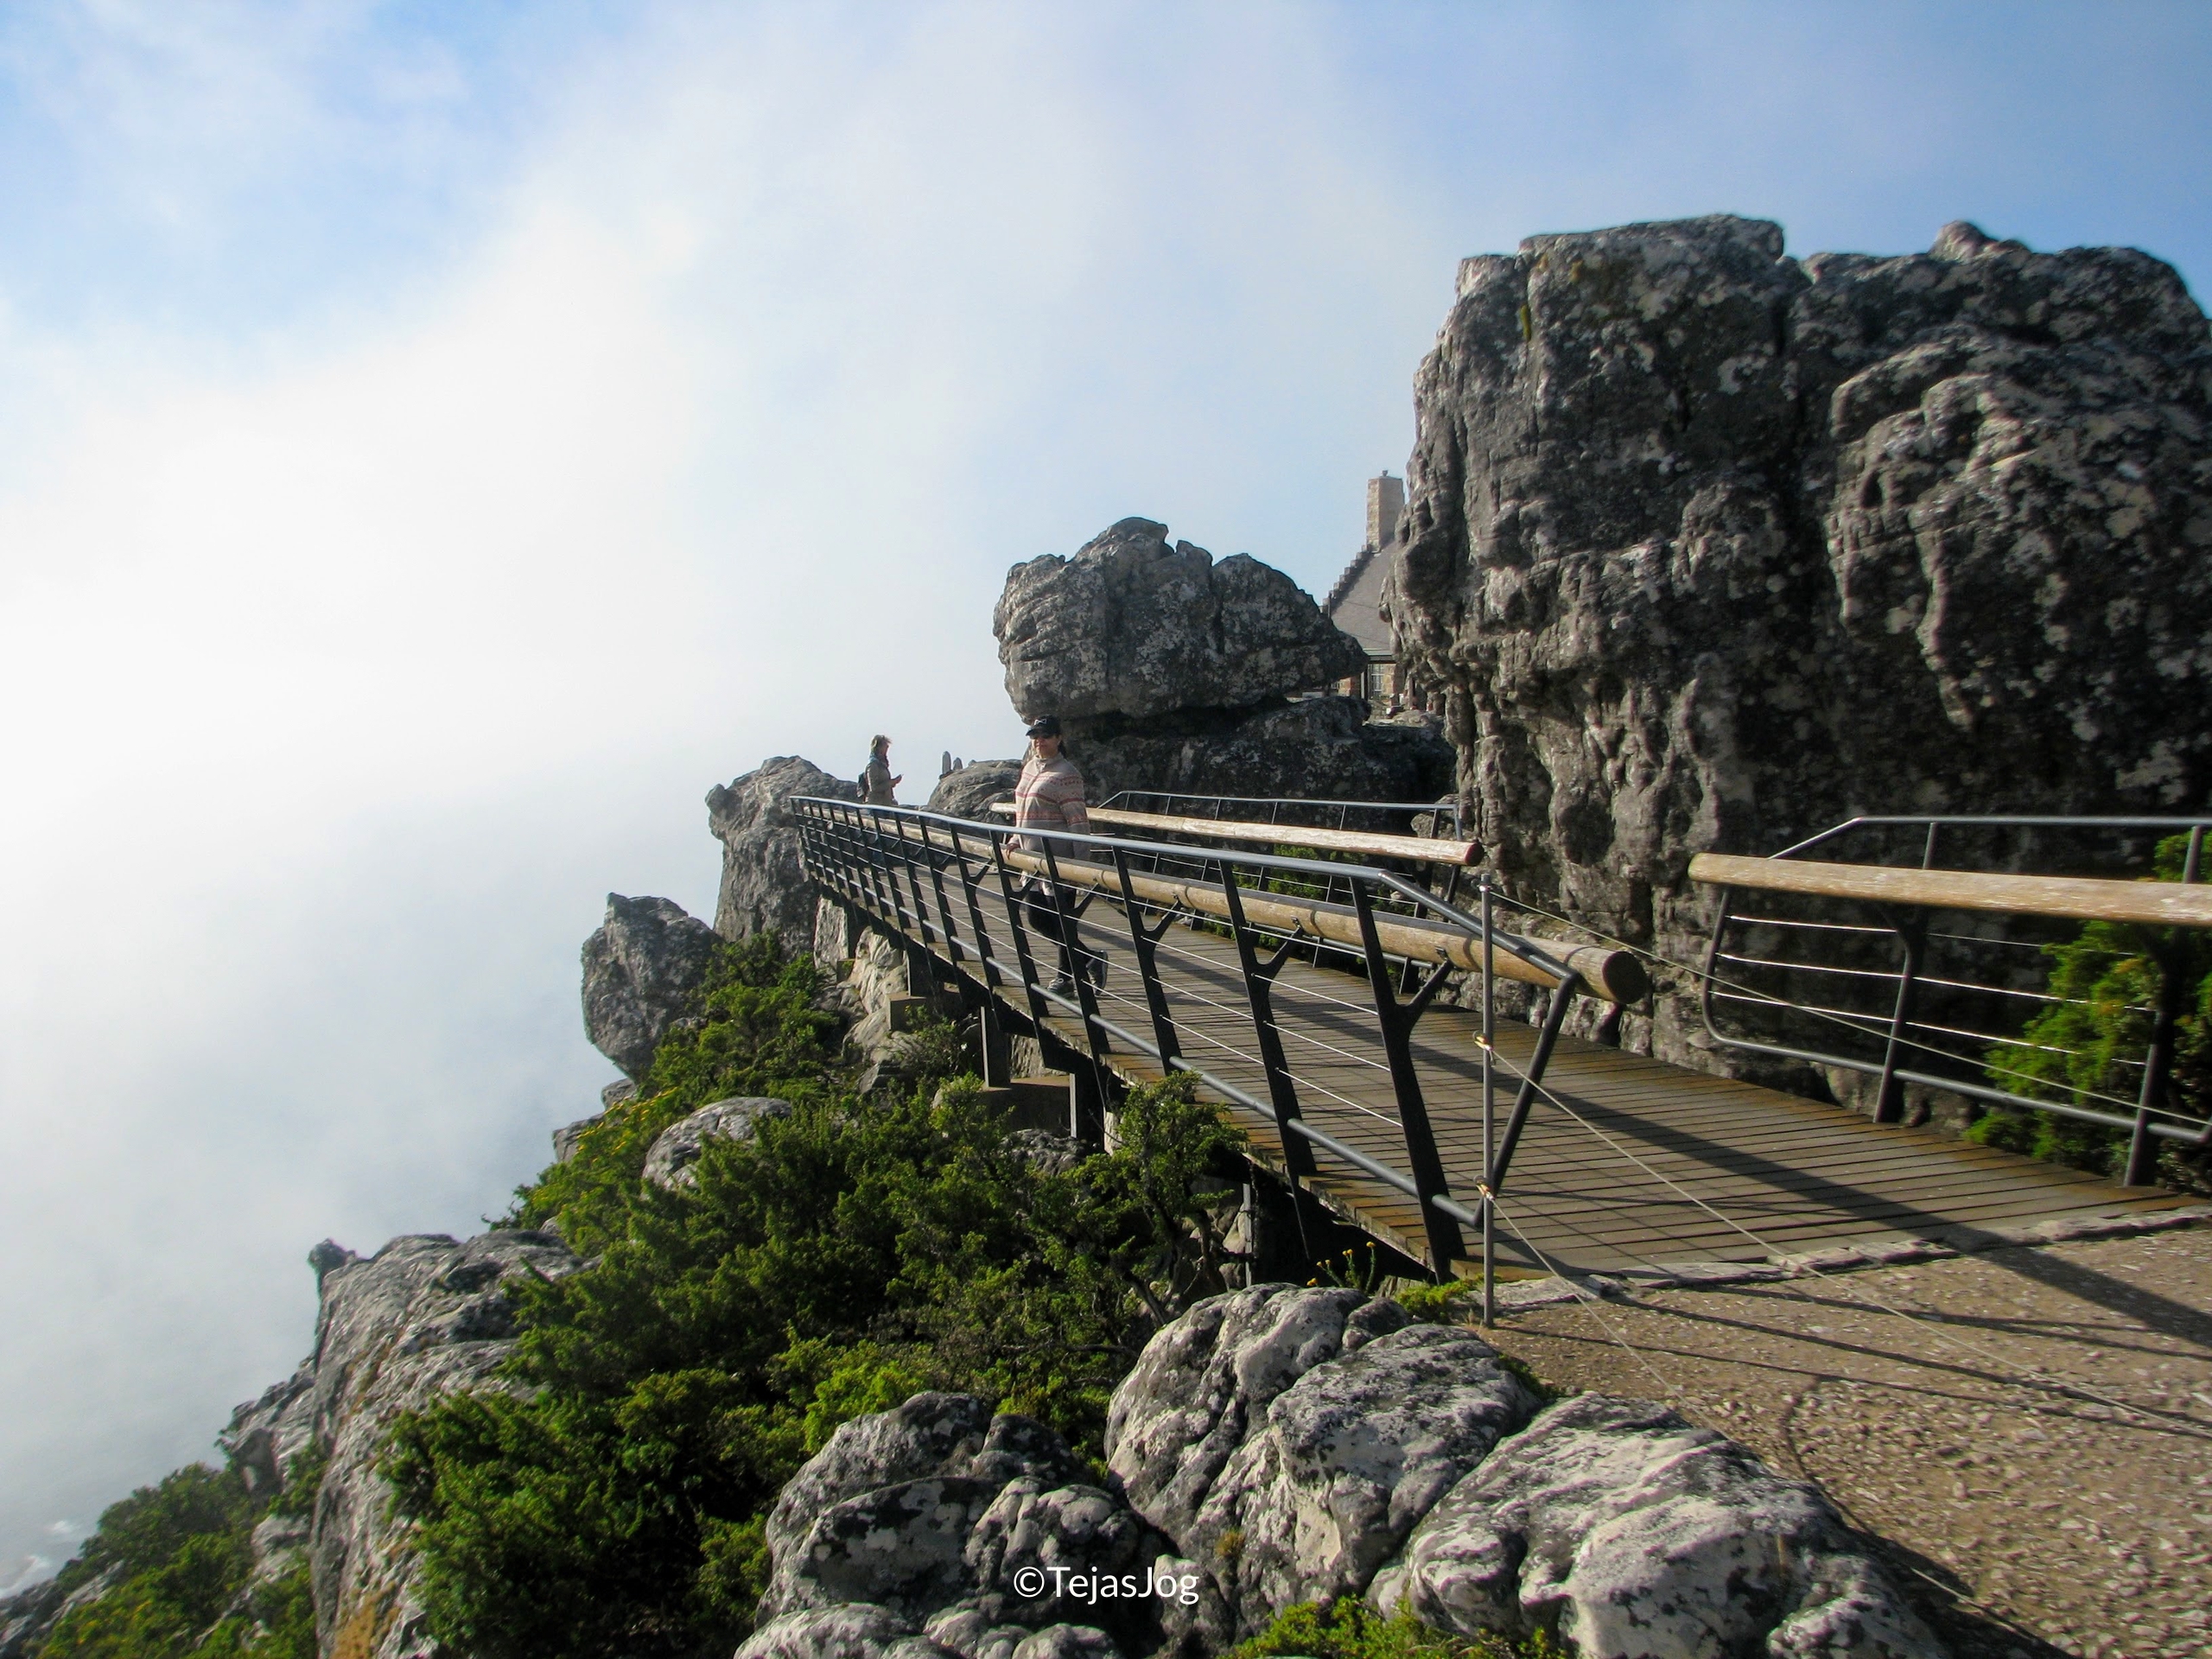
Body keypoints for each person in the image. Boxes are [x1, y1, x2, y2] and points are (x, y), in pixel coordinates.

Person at [1012, 715, 1103, 997]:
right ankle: (1090, 959)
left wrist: (1079, 867)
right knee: (1038, 919)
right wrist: (1015, 838)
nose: (1039, 741)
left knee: (1063, 922)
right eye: (1035, 736)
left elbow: (1078, 823)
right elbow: (1022, 811)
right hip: (1032, 860)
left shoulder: (1067, 775)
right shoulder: (1030, 768)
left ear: (1059, 739)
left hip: (1059, 863)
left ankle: (1065, 980)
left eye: (1046, 736)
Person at [861, 734, 900, 805]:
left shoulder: (882, 764)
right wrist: (891, 783)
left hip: (886, 802)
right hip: (876, 803)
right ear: (879, 747)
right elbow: (874, 787)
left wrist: (893, 783)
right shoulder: (873, 764)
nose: (887, 748)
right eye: (885, 745)